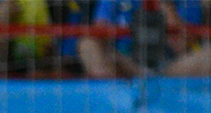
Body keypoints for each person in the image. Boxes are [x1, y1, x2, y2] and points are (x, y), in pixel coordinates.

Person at [77, 0, 211, 77]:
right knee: (87, 44)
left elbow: (180, 46)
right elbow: (99, 32)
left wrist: (162, 5)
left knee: (208, 55)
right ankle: (112, 104)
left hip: (169, 70)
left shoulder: (188, 2)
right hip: (126, 66)